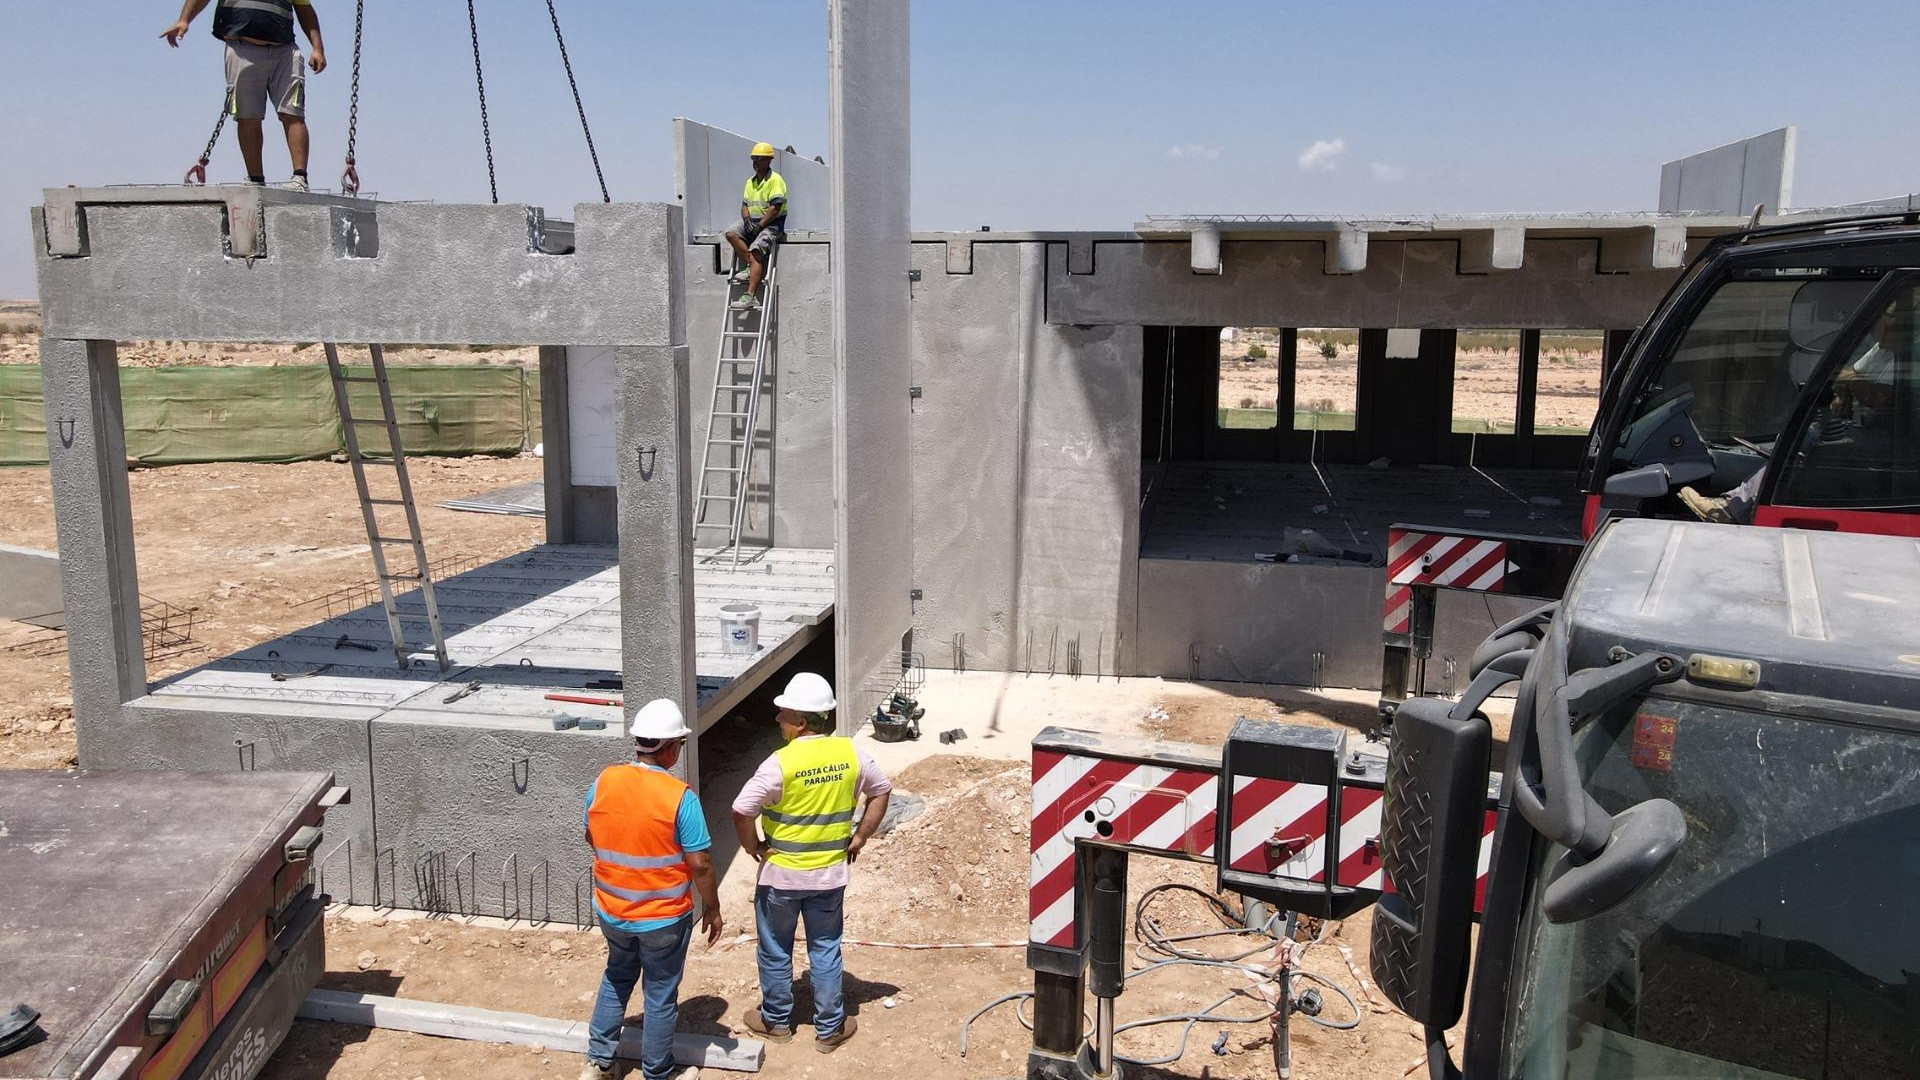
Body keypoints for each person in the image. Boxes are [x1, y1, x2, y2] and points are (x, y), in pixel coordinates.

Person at [731, 672, 891, 1054]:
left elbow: (741, 808)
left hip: (781, 878)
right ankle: (830, 1027)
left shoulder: (779, 764)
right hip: (829, 876)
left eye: (783, 714)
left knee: (774, 948)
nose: (777, 720)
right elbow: (881, 789)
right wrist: (861, 836)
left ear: (801, 722)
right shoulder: (850, 753)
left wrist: (752, 844)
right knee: (825, 948)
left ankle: (776, 1021)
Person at [580, 699, 722, 1080]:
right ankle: (657, 1072)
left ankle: (600, 1062)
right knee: (659, 994)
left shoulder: (604, 781)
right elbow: (700, 863)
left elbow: (591, 833)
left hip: (613, 910)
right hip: (662, 918)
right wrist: (712, 907)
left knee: (616, 976)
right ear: (671, 747)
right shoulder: (679, 797)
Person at [162, 0, 325, 191]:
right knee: (248, 116)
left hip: (284, 50)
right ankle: (255, 179)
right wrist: (184, 20)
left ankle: (299, 178)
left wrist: (317, 47)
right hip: (242, 48)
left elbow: (304, 9)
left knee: (293, 113)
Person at [723, 143, 788, 313]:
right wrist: (746, 221)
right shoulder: (750, 182)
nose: (755, 162)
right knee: (731, 233)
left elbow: (776, 208)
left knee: (757, 251)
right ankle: (751, 266)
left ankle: (750, 295)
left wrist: (759, 226)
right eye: (753, 159)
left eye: (758, 159)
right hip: (753, 221)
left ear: (768, 160)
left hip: (772, 223)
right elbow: (744, 205)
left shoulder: (775, 180)